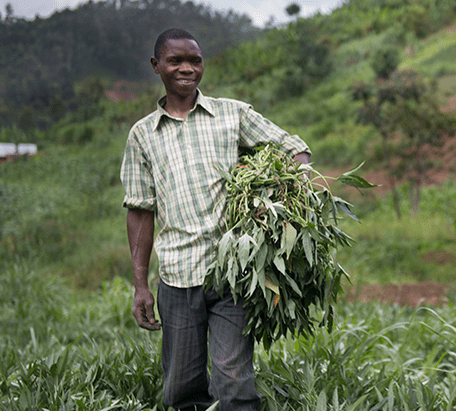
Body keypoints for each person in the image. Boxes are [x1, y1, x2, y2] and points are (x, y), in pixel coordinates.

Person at [121, 28, 311, 411]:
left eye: (195, 60)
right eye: (176, 61)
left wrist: (292, 191)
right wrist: (141, 285)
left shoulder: (232, 114)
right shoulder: (143, 135)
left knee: (233, 378)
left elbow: (293, 148)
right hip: (176, 275)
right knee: (182, 387)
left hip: (232, 273)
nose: (187, 68)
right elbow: (140, 210)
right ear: (157, 66)